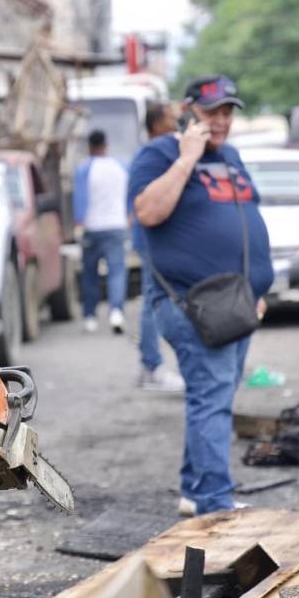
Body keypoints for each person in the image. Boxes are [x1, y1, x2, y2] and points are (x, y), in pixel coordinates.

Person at [128, 75, 273, 516]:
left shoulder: (231, 156)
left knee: (217, 396)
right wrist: (186, 158)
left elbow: (245, 220)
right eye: (213, 112)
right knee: (211, 398)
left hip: (237, 301)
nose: (222, 121)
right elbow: (148, 212)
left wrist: (256, 289)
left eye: (228, 111)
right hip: (191, 302)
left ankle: (196, 489)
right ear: (190, 111)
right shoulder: (160, 154)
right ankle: (214, 501)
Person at [131, 102, 183, 392]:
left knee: (158, 300)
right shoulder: (152, 156)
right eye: (172, 119)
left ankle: (152, 364)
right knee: (153, 302)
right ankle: (151, 365)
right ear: (157, 125)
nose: (177, 124)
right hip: (152, 240)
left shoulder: (163, 153)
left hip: (159, 241)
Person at [74, 129, 130, 334]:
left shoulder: (84, 169)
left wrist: (78, 223)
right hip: (117, 226)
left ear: (90, 146)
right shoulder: (121, 166)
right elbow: (130, 195)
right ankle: (116, 312)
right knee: (116, 272)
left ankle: (90, 317)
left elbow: (80, 199)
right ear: (106, 145)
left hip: (92, 227)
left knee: (90, 274)